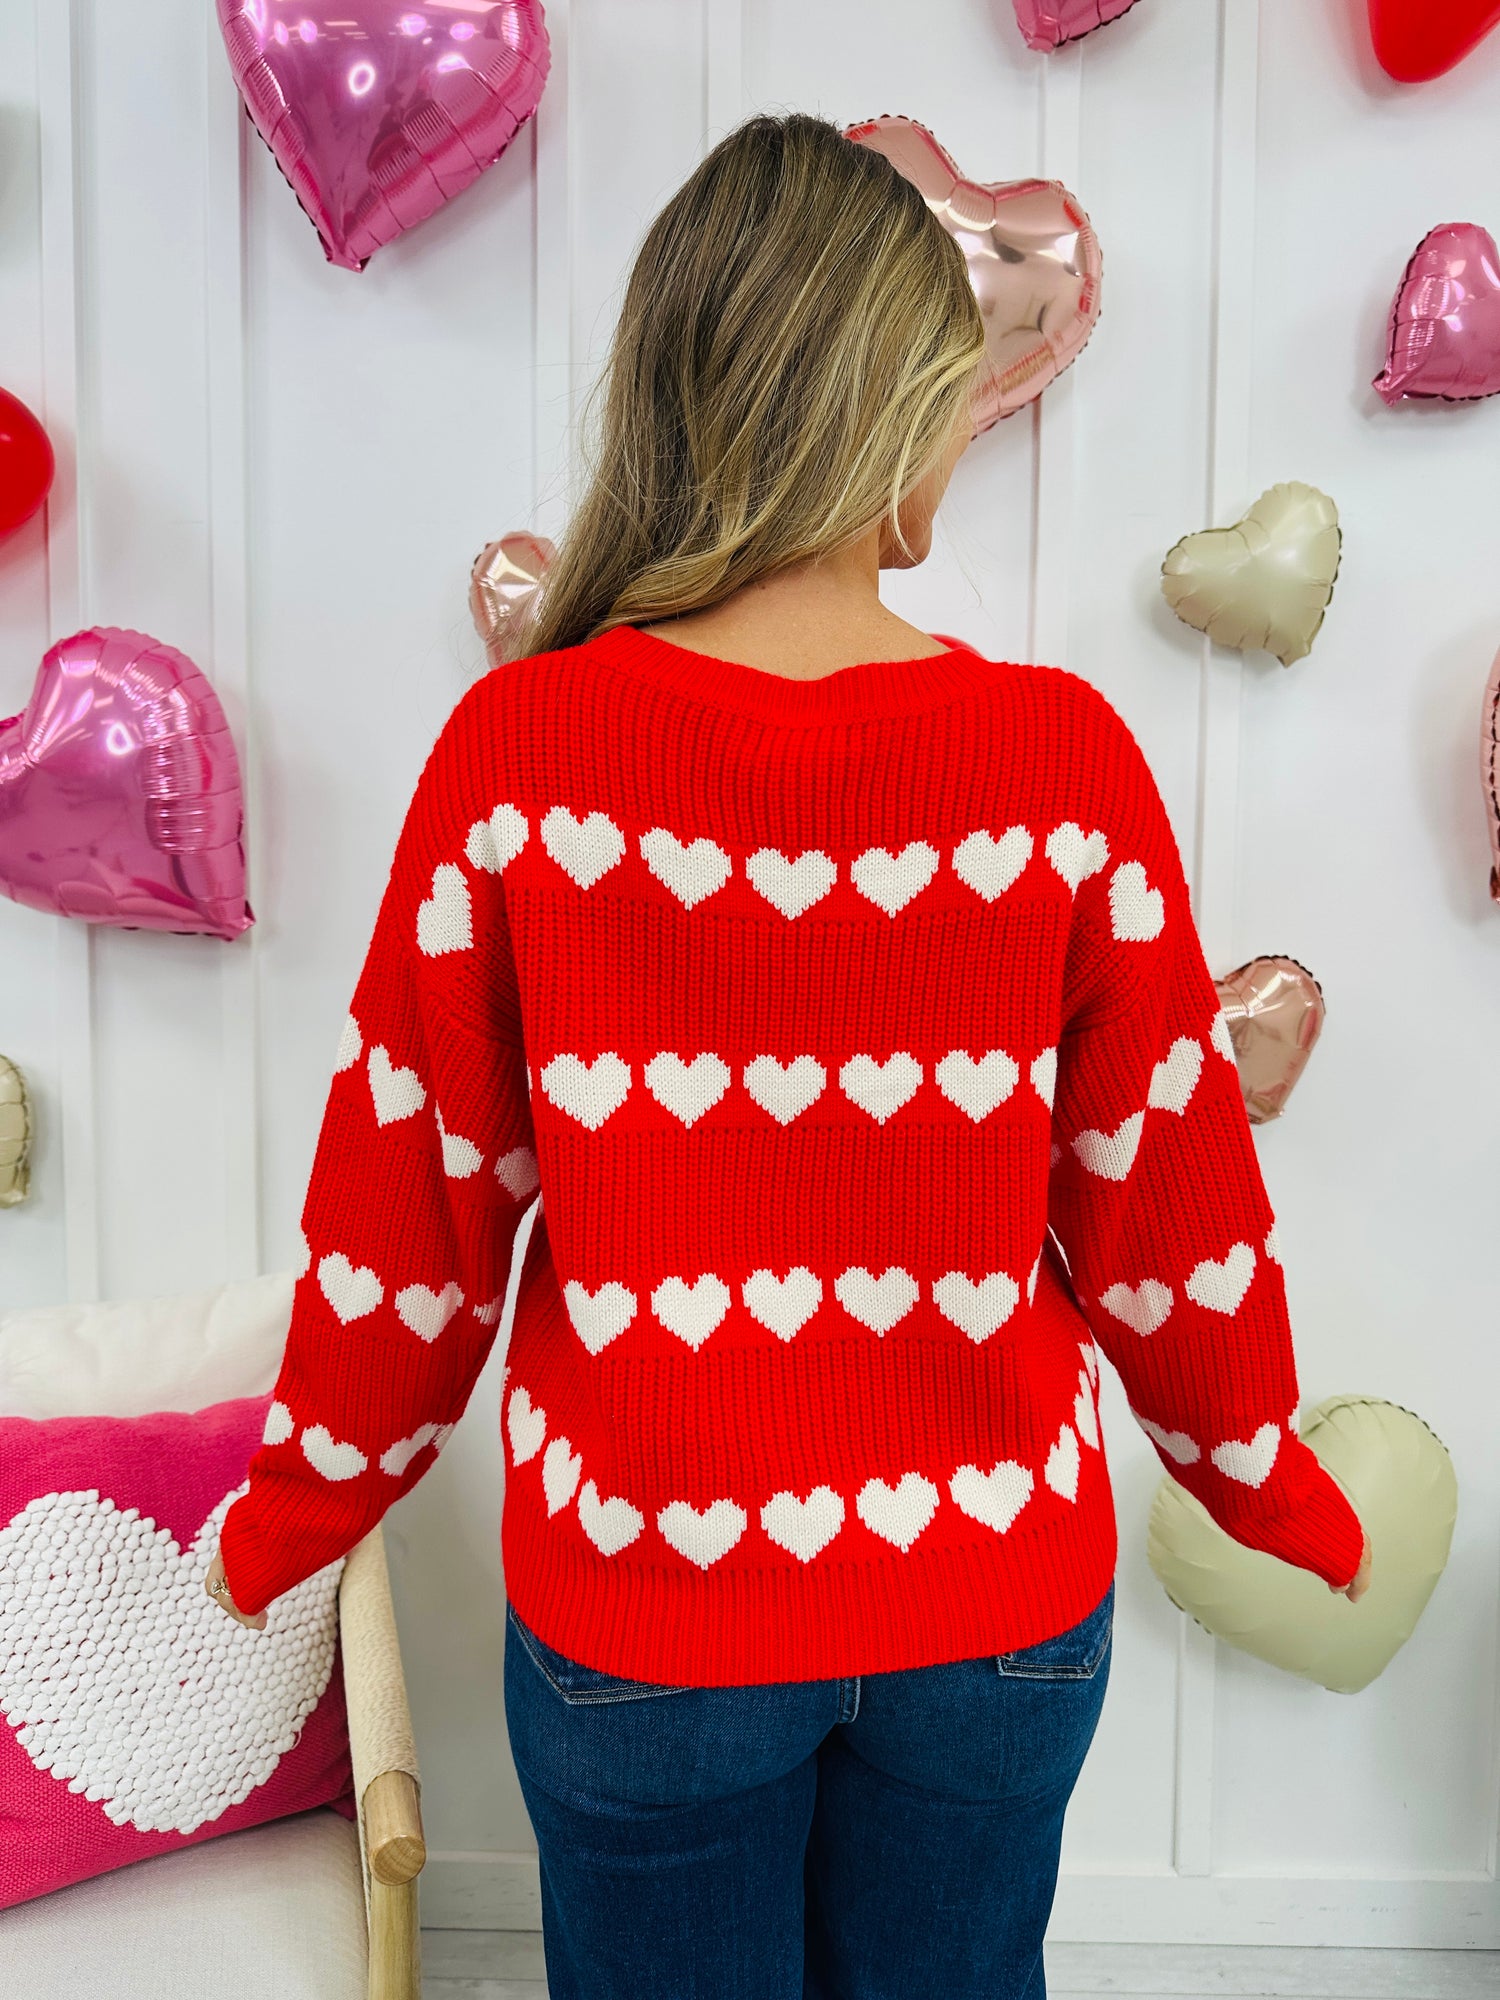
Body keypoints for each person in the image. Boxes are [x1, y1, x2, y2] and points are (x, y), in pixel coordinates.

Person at [206, 111, 1372, 2000]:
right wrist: (1259, 1473)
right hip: (992, 1611)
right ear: (898, 417)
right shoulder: (1060, 765)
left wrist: (304, 1500)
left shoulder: (522, 758)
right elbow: (1165, 1198)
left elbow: (414, 1200)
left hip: (648, 1614)